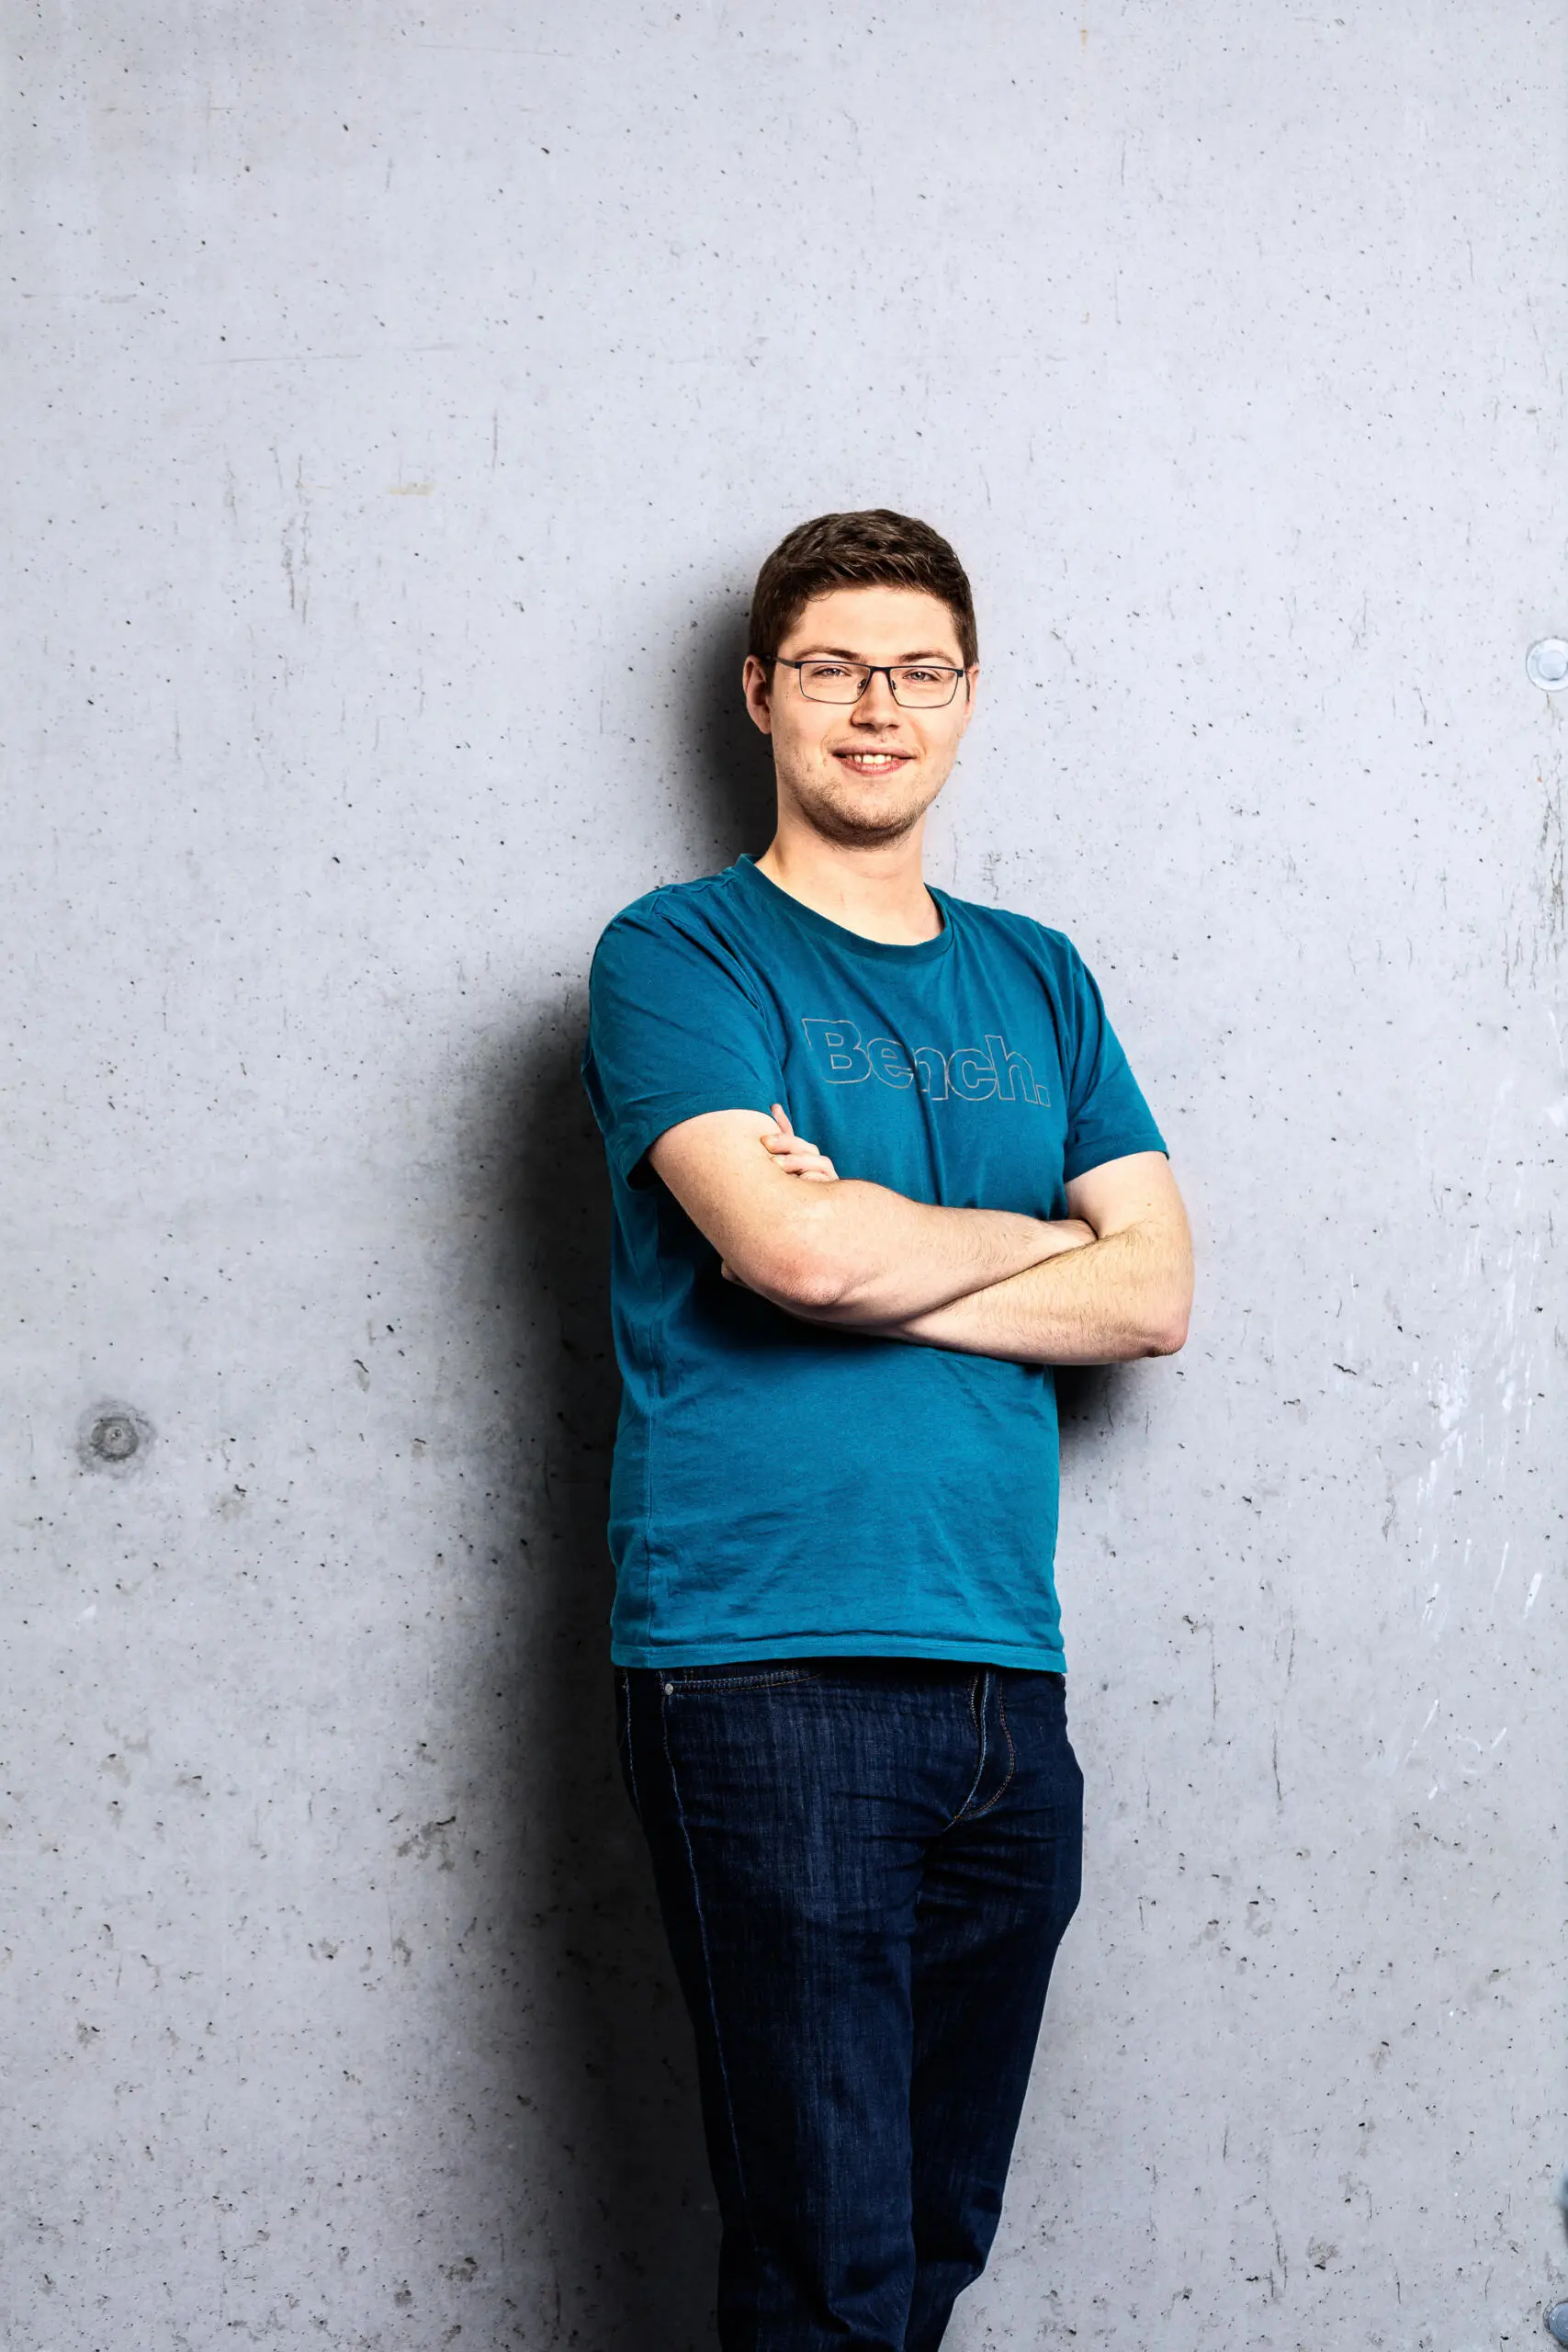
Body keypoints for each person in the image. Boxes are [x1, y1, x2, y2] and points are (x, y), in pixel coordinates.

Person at [581, 509, 1192, 2351]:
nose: (877, 707)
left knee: (926, 2245)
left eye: (917, 671)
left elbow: (1155, 1292)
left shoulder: (1039, 973)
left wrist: (881, 1240)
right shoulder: (680, 954)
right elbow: (792, 1254)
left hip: (1001, 1669)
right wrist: (1035, 1240)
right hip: (763, 1664)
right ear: (759, 692)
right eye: (835, 668)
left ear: (967, 698)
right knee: (824, 2262)